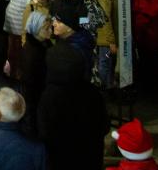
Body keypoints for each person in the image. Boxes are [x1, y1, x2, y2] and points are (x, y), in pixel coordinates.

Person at [37, 36, 109, 170]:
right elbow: (104, 126)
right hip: (90, 159)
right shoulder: (92, 93)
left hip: (61, 161)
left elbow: (44, 133)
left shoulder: (49, 96)